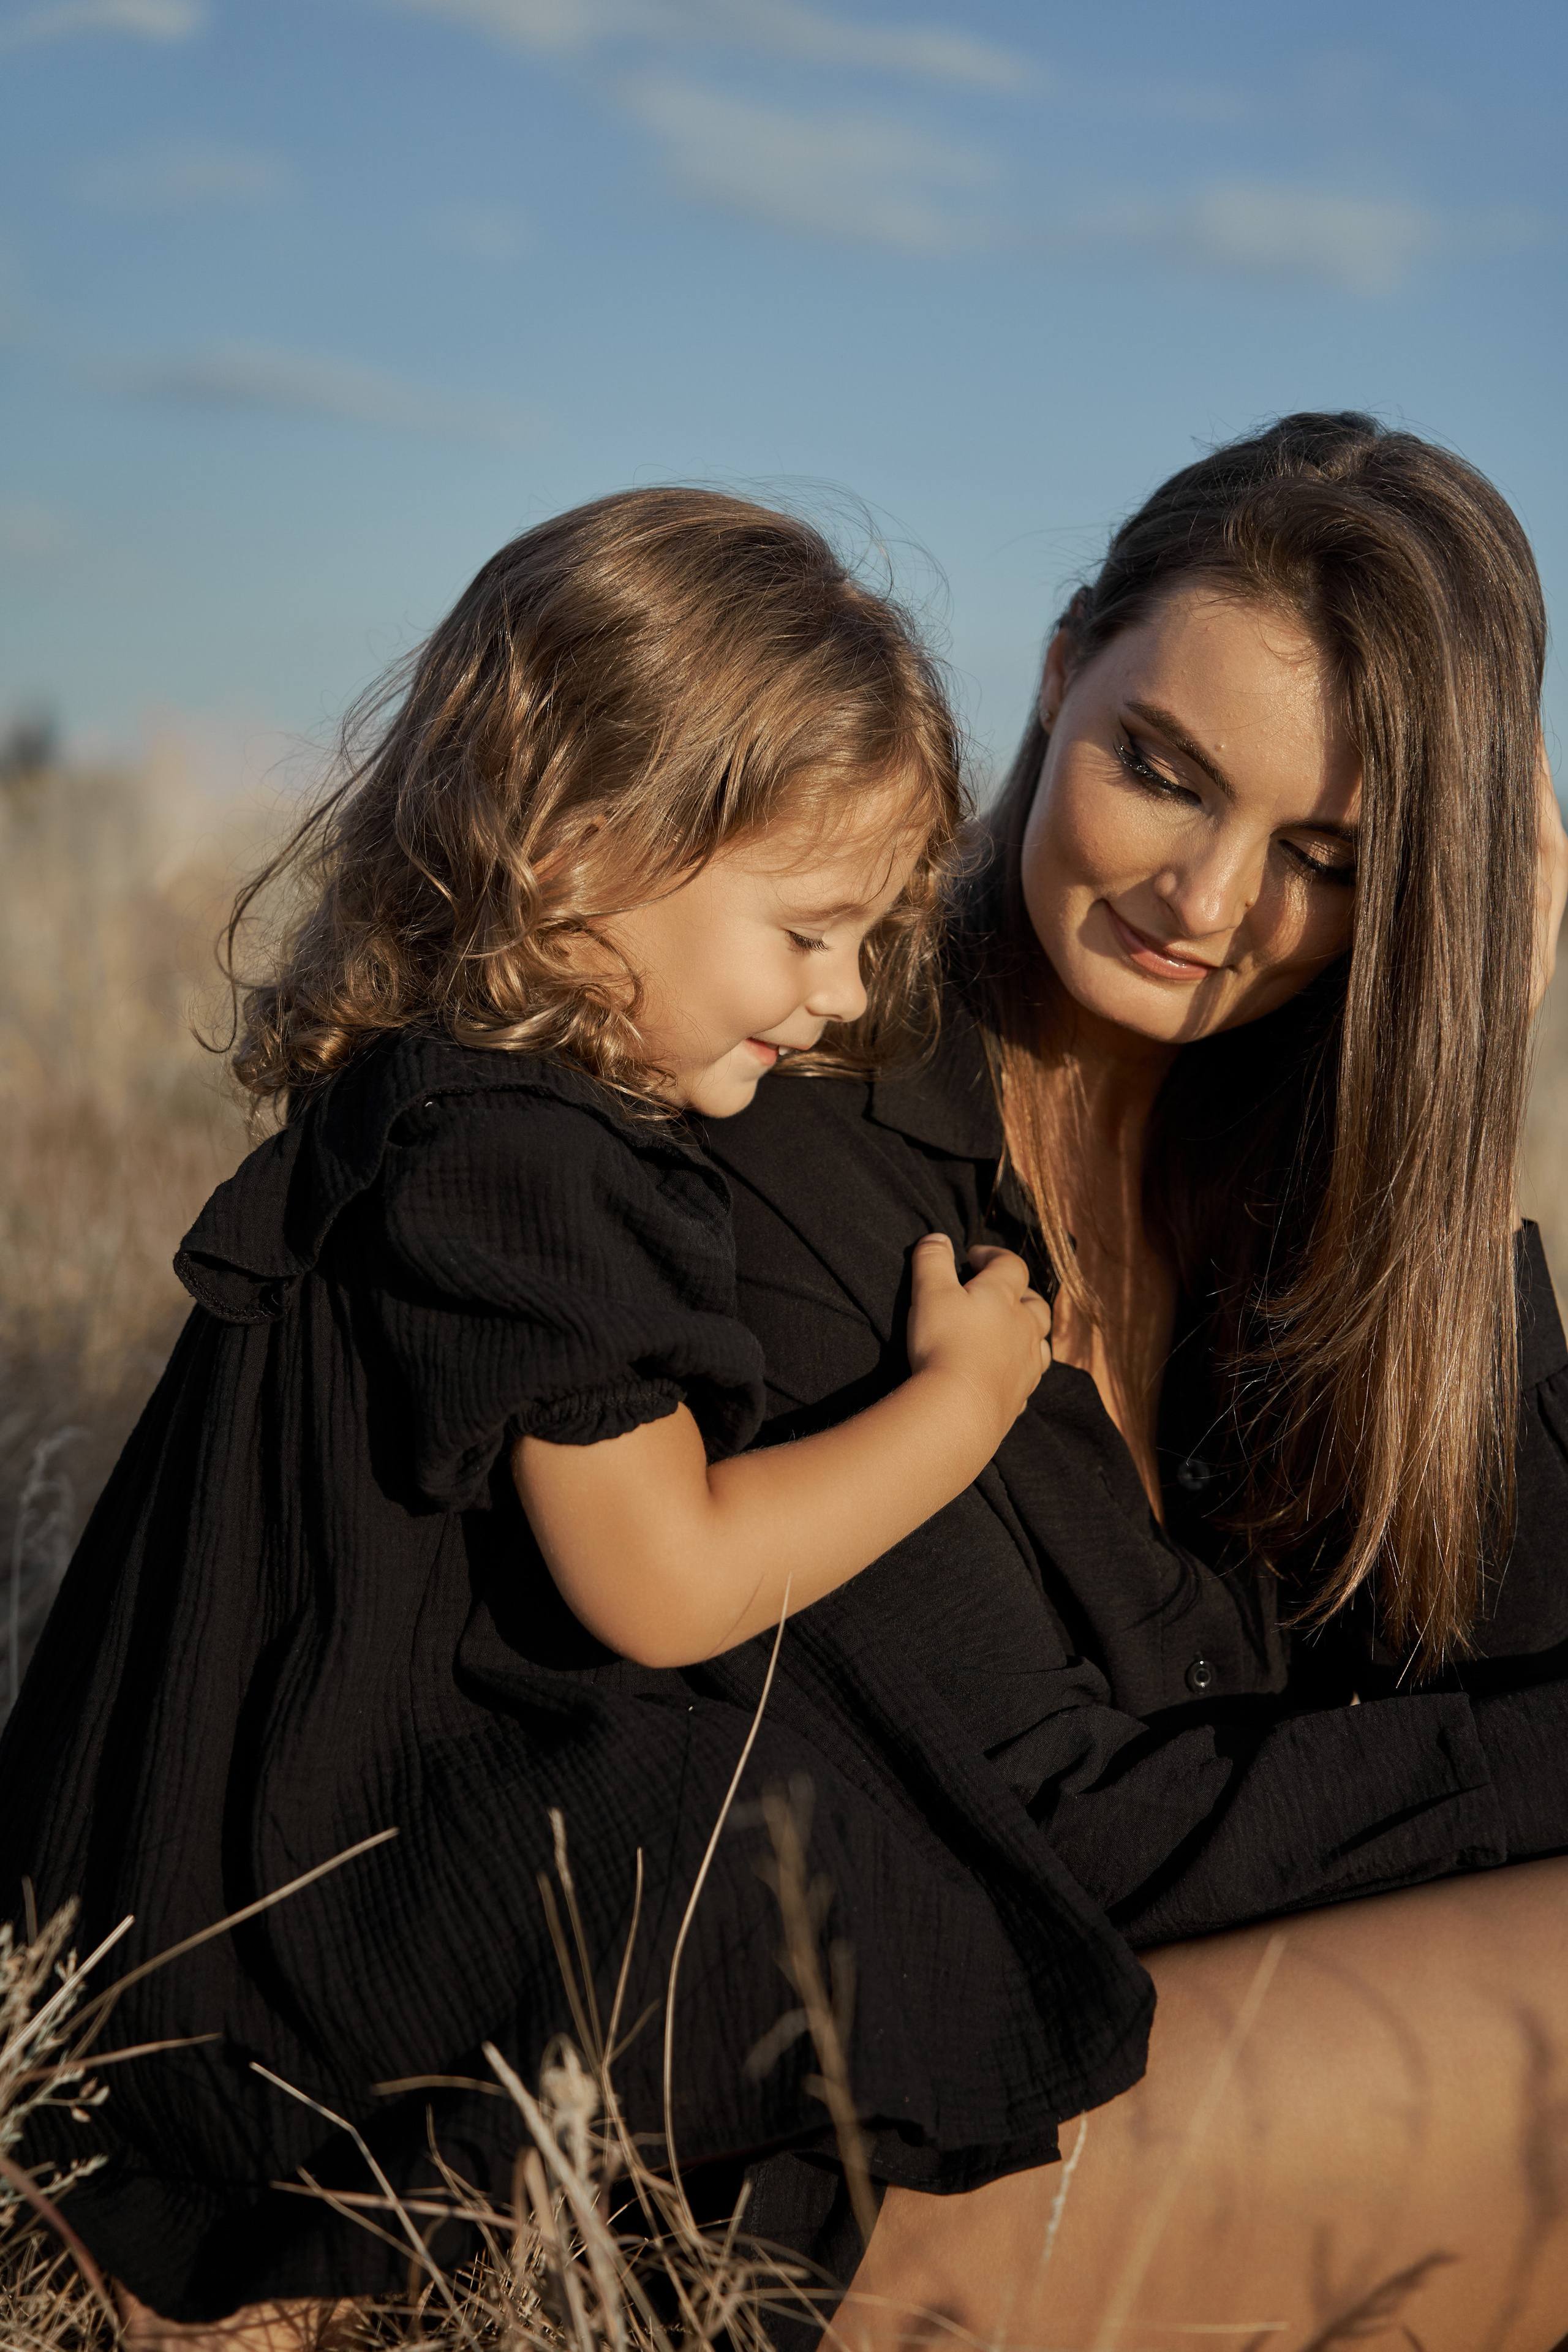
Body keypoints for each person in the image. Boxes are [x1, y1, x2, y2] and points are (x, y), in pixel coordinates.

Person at [0, 491, 1146, 2329]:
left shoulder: (448, 1104)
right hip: (294, 1901)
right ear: (586, 852)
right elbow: (665, 1582)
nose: (841, 999)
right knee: (786, 1867)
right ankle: (294, 2263)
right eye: (806, 934)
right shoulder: (534, 1168)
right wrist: (959, 1407)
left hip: (248, 1814)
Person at [704, 413, 1568, 2347]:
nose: (1212, 898)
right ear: (1063, 658)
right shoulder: (799, 1129)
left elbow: (1494, 1670)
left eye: (1329, 862)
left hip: (1211, 2071)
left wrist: (1458, 1115)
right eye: (1163, 773)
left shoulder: (1285, 1182)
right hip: (887, 2160)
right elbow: (1056, 1827)